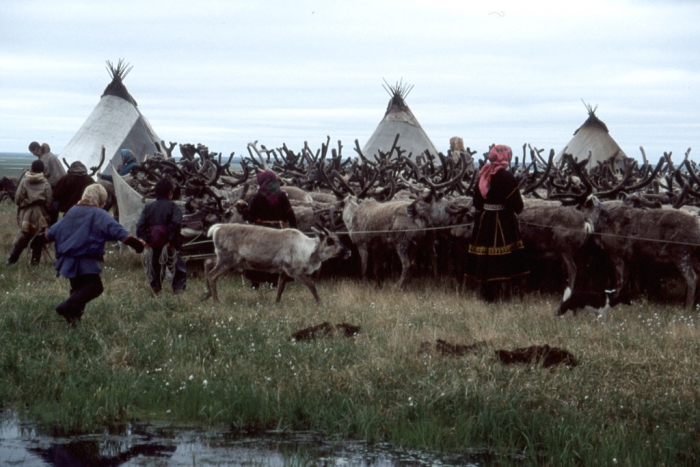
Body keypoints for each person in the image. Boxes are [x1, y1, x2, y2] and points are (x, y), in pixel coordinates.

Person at [43, 184, 145, 324]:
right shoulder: (99, 214)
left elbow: (55, 230)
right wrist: (136, 244)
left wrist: (42, 239)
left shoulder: (73, 210)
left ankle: (73, 320)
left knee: (78, 290)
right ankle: (65, 307)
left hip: (68, 259)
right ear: (101, 198)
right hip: (85, 259)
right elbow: (116, 230)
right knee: (95, 288)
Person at [464, 144, 529, 302]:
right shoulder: (507, 177)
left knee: (485, 257)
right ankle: (503, 295)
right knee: (503, 257)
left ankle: (484, 294)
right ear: (506, 157)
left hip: (485, 221)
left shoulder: (484, 175)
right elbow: (518, 206)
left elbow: (477, 202)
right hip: (503, 222)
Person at [235, 169, 297, 288]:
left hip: (261, 233)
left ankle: (255, 283)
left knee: (259, 257)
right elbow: (291, 215)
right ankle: (274, 283)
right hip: (279, 233)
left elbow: (252, 217)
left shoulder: (258, 196)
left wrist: (243, 209)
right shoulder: (282, 195)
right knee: (277, 258)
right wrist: (295, 232)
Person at [136, 178, 187, 296]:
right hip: (171, 245)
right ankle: (178, 292)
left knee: (155, 268)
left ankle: (156, 290)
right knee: (178, 268)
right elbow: (175, 224)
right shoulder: (174, 207)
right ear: (170, 192)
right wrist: (170, 241)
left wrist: (146, 240)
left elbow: (140, 226)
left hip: (153, 244)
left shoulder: (148, 207)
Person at [5, 160, 52, 266]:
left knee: (23, 236)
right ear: (42, 170)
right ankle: (35, 263)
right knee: (39, 237)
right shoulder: (46, 183)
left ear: (32, 168)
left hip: (27, 214)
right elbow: (49, 202)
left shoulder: (24, 182)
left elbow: (17, 199)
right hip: (40, 215)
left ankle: (11, 260)